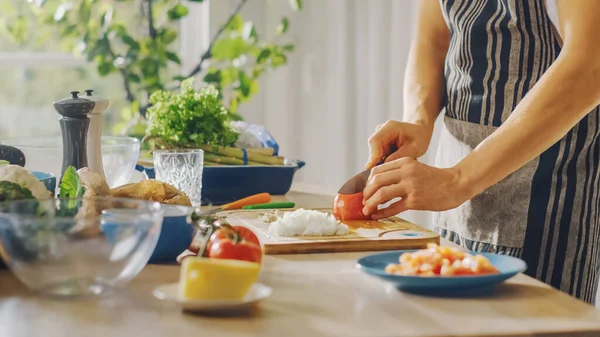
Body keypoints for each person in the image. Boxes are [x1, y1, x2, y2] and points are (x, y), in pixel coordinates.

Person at [362, 0, 600, 304]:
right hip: (454, 188)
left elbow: (590, 64)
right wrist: (418, 121)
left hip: (546, 191)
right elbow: (432, 38)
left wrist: (457, 180)